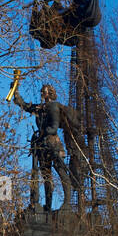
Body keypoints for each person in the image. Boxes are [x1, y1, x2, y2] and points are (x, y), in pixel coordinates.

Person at [14, 82, 72, 212]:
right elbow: (25, 106)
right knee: (46, 175)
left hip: (53, 144)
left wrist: (42, 133)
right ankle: (48, 206)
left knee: (61, 172)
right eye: (41, 91)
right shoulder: (40, 108)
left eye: (44, 92)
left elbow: (54, 127)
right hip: (42, 146)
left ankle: (67, 202)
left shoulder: (54, 107)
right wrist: (16, 92)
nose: (42, 93)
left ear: (49, 93)